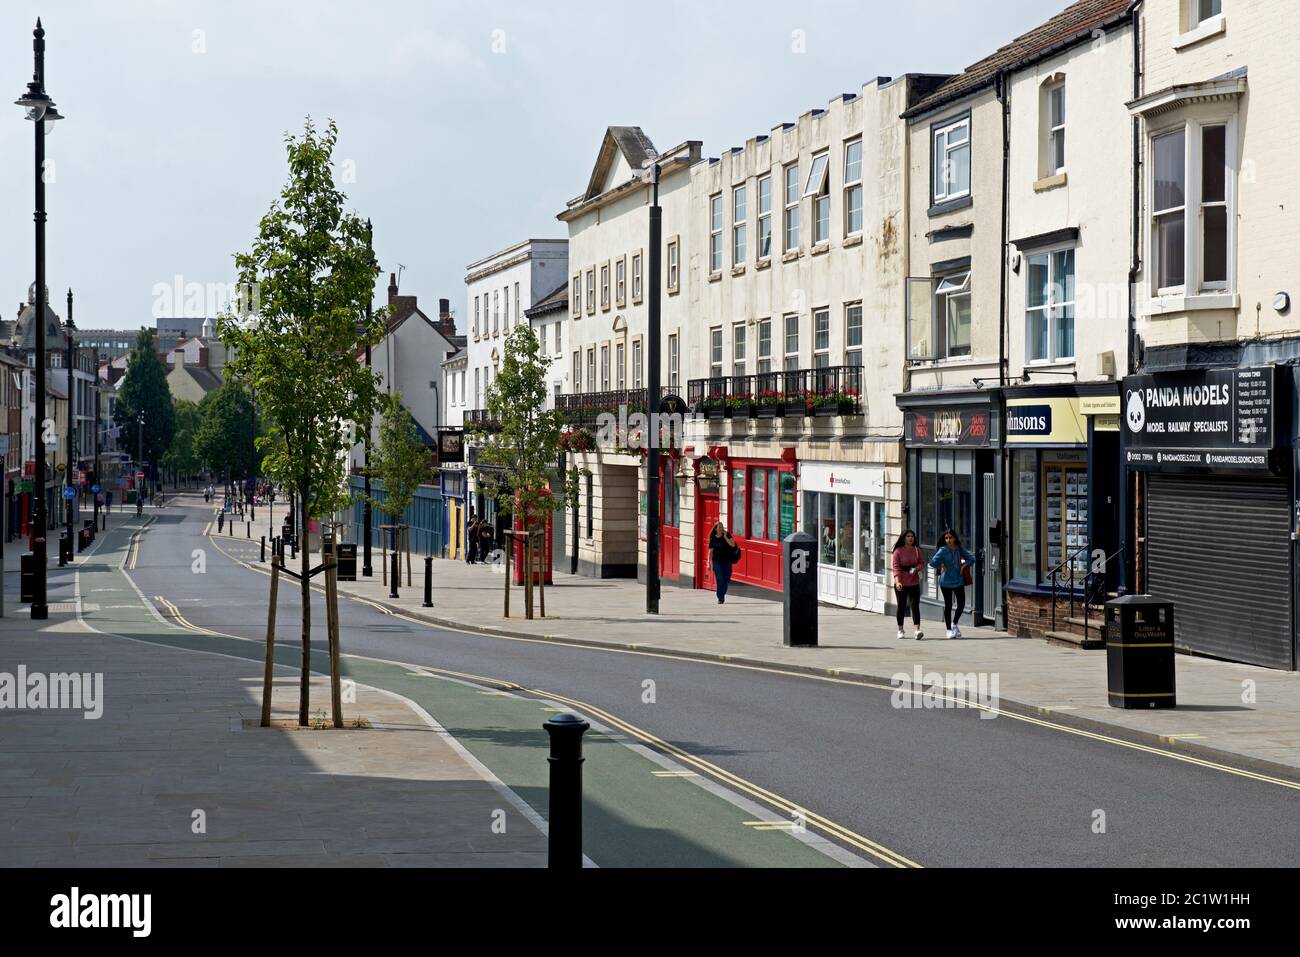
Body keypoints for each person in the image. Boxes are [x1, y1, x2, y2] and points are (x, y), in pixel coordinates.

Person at [928, 529, 976, 639]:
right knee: (948, 605)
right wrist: (941, 566)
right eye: (946, 538)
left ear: (954, 538)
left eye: (950, 537)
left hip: (958, 580)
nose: (948, 540)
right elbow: (932, 562)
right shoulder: (943, 550)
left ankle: (954, 623)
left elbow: (971, 559)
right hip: (945, 581)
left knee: (961, 604)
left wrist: (964, 565)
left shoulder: (959, 548)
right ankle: (948, 630)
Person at [891, 529, 925, 640]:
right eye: (908, 536)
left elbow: (922, 563)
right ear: (904, 538)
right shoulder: (898, 551)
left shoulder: (917, 550)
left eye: (912, 536)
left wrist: (917, 568)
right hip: (901, 582)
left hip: (914, 582)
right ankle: (900, 629)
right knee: (901, 606)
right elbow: (895, 568)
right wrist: (897, 582)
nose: (911, 538)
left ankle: (917, 630)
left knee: (915, 606)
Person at [707, 520, 740, 605]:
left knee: (727, 579)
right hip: (717, 561)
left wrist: (726, 537)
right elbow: (710, 551)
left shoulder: (727, 534)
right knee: (720, 579)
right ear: (716, 529)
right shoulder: (713, 538)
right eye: (719, 527)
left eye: (722, 527)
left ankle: (722, 593)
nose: (721, 529)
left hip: (727, 561)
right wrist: (708, 562)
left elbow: (733, 545)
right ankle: (720, 597)